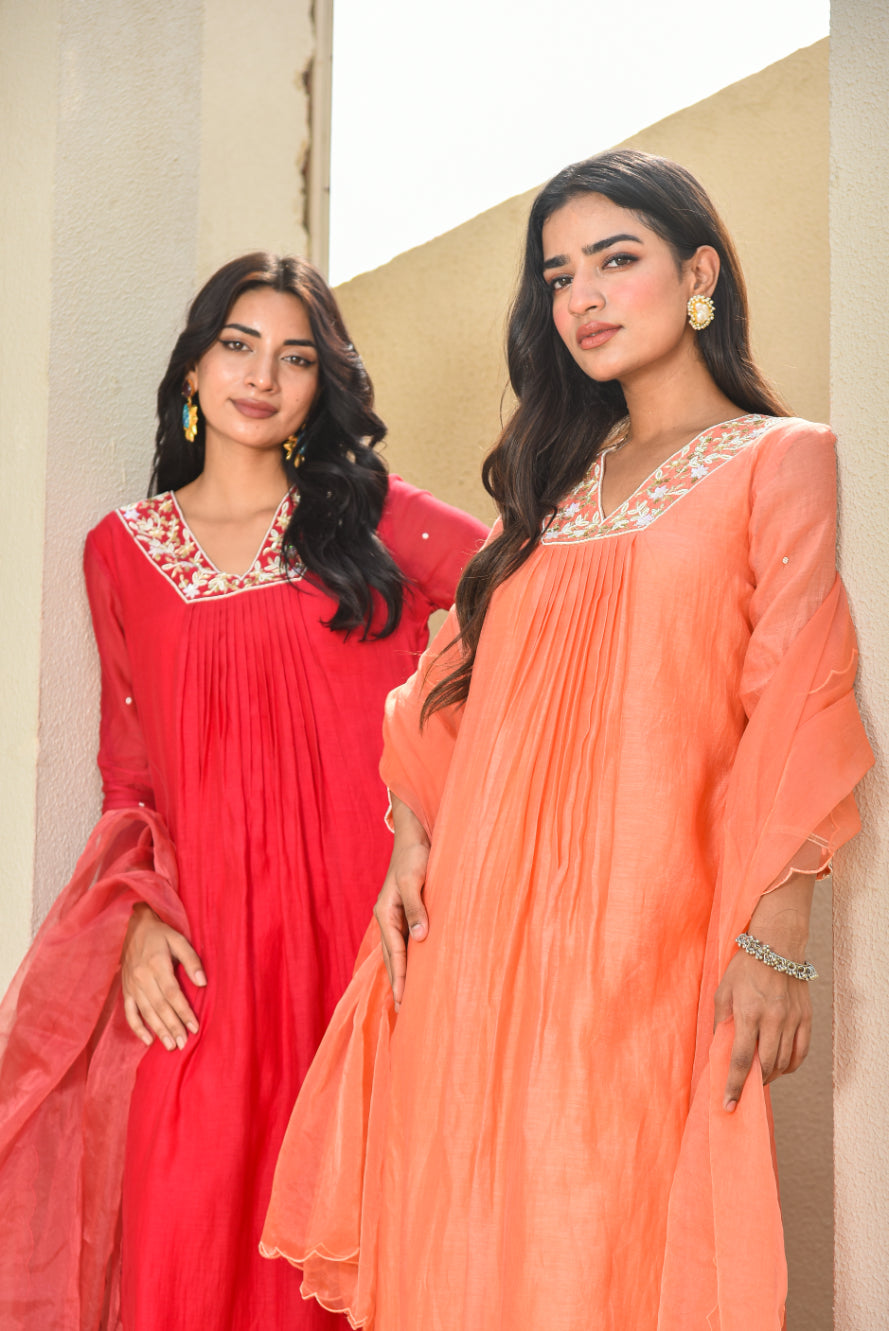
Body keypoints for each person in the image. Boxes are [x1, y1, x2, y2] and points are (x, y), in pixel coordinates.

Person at [261, 153, 873, 1330]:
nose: (581, 295)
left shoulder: (779, 458)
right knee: (465, 1233)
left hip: (647, 938)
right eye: (557, 275)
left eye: (614, 259)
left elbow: (798, 690)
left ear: (698, 273)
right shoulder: (550, 490)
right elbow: (441, 689)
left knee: (605, 1237)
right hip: (477, 940)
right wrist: (409, 832)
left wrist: (778, 929)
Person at [0, 253, 487, 1329]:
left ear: (323, 384)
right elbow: (131, 776)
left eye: (295, 357)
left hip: (371, 949)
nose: (262, 376)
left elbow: (532, 606)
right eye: (238, 345)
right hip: (212, 957)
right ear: (193, 367)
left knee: (368, 1242)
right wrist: (137, 917)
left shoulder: (371, 522)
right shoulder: (122, 552)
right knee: (189, 1229)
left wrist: (422, 804)